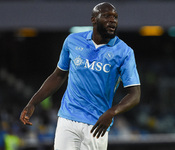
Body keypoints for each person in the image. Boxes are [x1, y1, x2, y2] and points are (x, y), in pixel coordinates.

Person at [20, 2, 141, 150]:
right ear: (94, 19)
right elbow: (58, 76)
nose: (113, 20)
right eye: (107, 16)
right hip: (67, 118)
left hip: (97, 124)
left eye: (115, 17)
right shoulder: (72, 41)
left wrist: (112, 112)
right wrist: (33, 102)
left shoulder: (124, 52)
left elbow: (135, 94)